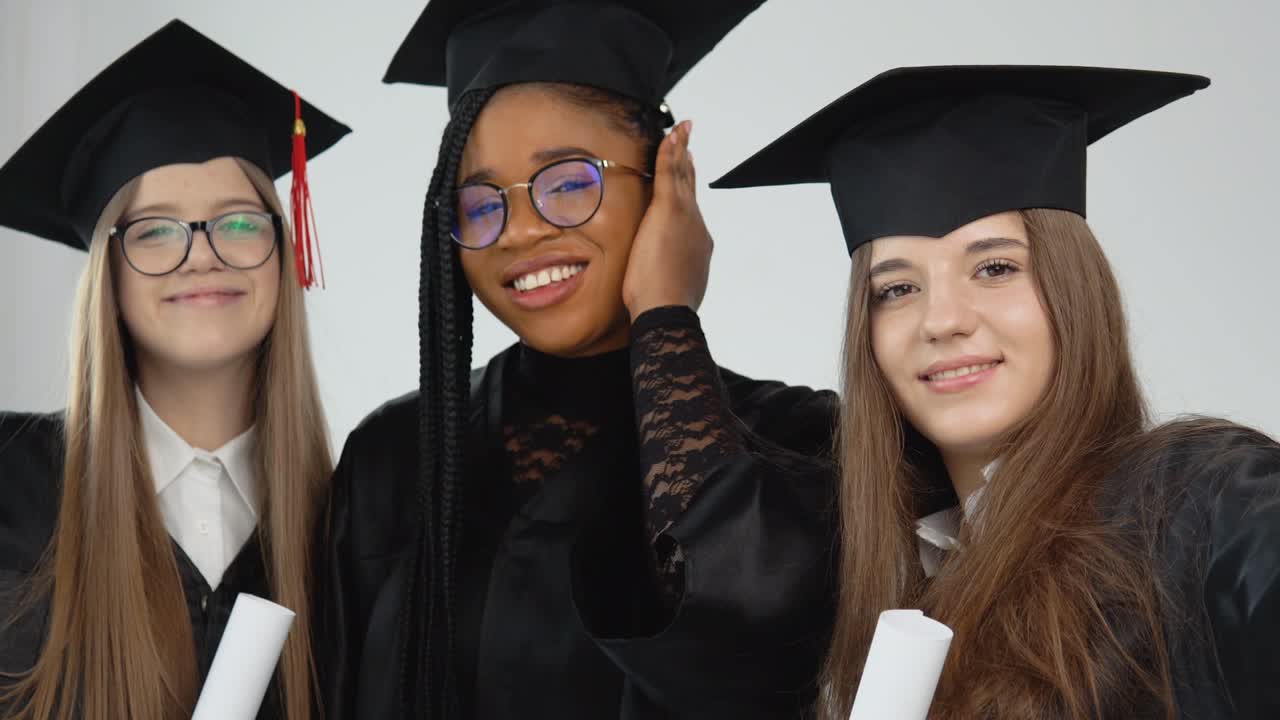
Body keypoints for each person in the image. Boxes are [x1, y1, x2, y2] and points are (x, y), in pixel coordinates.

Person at [713, 64, 1280, 718]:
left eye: (995, 267)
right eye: (897, 288)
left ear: (1073, 290)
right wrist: (658, 312)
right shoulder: (903, 587)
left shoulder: (1199, 503)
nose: (942, 319)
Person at [322, 1, 839, 717]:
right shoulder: (391, 458)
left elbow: (741, 641)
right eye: (478, 204)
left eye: (567, 183)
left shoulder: (796, 438)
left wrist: (666, 313)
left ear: (667, 179)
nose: (520, 231)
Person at [0, 20, 348, 719]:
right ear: (109, 279)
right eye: (155, 229)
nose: (202, 254)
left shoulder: (354, 522)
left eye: (241, 222)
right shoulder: (11, 485)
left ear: (283, 254)